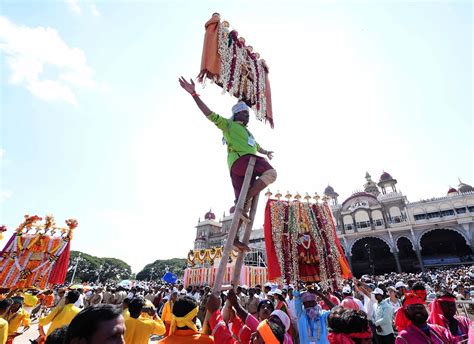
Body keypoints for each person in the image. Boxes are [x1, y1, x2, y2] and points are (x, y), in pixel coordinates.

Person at [179, 77, 277, 252]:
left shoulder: (249, 134)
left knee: (241, 207)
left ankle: (234, 239)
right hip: (243, 161)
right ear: (237, 114)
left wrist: (266, 152)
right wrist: (194, 94)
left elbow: (257, 146)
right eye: (245, 113)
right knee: (271, 173)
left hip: (242, 166)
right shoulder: (229, 125)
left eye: (248, 114)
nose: (248, 116)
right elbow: (209, 114)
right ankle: (247, 195)